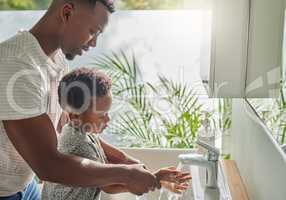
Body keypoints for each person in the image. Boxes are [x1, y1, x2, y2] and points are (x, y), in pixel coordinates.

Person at [0, 0, 167, 199]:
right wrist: (126, 174)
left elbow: (67, 125)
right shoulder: (16, 64)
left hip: (26, 187)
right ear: (67, 12)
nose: (94, 43)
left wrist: (122, 160)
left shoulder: (56, 59)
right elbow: (48, 165)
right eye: (92, 31)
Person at [41, 67, 191, 200]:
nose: (108, 119)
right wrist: (156, 180)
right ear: (75, 116)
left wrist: (152, 176)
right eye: (101, 115)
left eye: (107, 112)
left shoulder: (82, 130)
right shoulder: (78, 147)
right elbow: (108, 187)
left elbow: (120, 157)